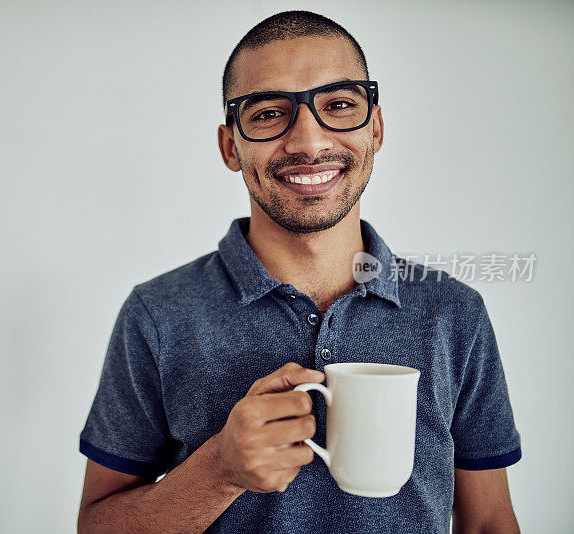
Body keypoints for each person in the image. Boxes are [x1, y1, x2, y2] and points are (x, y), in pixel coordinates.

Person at [76, 10, 521, 534]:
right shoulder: (157, 314)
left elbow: (489, 521)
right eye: (267, 113)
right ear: (229, 147)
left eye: (338, 104)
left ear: (375, 128)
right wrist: (219, 472)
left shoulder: (455, 312)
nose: (309, 142)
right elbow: (95, 527)